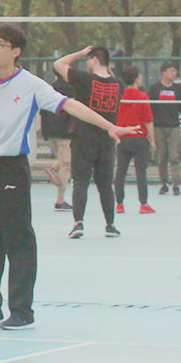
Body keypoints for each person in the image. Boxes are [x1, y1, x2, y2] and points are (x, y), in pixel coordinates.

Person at [0, 25, 132, 330]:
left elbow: (71, 105)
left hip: (13, 166)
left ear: (16, 51)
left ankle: (22, 311)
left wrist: (109, 126)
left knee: (18, 240)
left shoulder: (31, 85)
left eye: (0, 44)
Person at [54, 45, 125, 238]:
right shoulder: (119, 84)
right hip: (106, 140)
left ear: (93, 59)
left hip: (83, 137)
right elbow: (109, 76)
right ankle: (110, 225)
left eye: (88, 60)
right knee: (105, 184)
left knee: (80, 182)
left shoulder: (85, 79)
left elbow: (59, 64)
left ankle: (78, 223)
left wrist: (80, 53)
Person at [113, 65, 155, 214]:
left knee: (120, 172)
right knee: (141, 173)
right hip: (139, 139)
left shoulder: (119, 96)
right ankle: (143, 204)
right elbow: (148, 119)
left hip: (123, 138)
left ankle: (119, 204)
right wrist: (152, 139)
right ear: (137, 78)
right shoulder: (142, 97)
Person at [38, 76, 75, 212]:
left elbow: (43, 112)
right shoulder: (73, 91)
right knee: (66, 165)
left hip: (51, 133)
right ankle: (60, 200)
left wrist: (46, 132)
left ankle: (54, 167)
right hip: (65, 134)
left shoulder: (48, 89)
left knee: (63, 160)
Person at [147, 62, 181, 195]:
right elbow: (149, 110)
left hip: (174, 127)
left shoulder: (178, 89)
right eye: (171, 71)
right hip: (158, 128)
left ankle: (176, 184)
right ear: (163, 73)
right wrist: (150, 130)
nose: (174, 73)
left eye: (175, 71)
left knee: (174, 156)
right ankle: (164, 183)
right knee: (161, 157)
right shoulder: (154, 88)